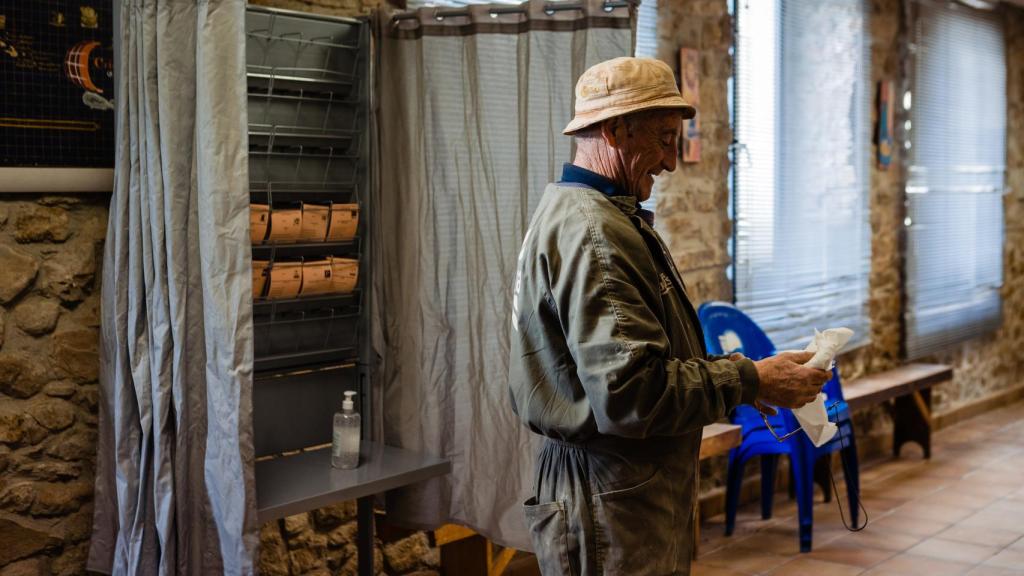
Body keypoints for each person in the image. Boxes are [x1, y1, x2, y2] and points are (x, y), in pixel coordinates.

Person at [507, 57, 831, 576]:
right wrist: (750, 379)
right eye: (662, 139)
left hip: (619, 488)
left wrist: (751, 377)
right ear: (615, 131)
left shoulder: (592, 214)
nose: (671, 162)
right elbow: (632, 395)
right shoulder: (596, 235)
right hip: (607, 496)